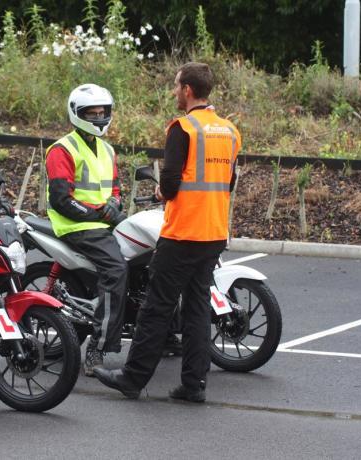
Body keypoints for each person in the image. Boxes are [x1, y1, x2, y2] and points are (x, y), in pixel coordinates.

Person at [95, 62, 241, 402]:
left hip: (182, 233)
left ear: (188, 90)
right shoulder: (229, 130)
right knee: (196, 309)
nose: (175, 92)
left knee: (156, 307)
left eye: (177, 87)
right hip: (214, 232)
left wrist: (162, 192)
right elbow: (229, 181)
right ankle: (194, 385)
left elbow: (172, 183)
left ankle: (132, 378)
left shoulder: (183, 128)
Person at [45, 83, 128, 377]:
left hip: (103, 222)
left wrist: (115, 206)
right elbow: (61, 199)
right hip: (77, 225)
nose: (98, 117)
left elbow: (116, 189)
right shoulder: (61, 150)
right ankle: (98, 346)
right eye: (91, 112)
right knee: (116, 270)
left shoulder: (107, 149)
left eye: (102, 112)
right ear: (76, 114)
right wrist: (97, 213)